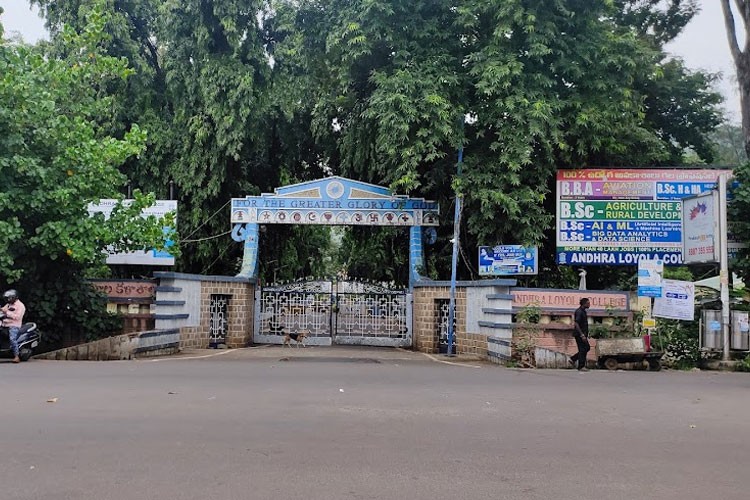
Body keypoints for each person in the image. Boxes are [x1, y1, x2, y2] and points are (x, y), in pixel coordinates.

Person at [1, 289, 26, 363]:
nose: (8, 299)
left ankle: (16, 356)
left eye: (9, 298)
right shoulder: (9, 304)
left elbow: (17, 317)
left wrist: (7, 313)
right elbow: (3, 310)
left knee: (12, 339)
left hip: (14, 325)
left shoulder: (20, 306)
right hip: (4, 324)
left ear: (14, 297)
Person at [570, 297, 590, 371]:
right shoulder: (579, 312)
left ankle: (573, 359)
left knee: (586, 348)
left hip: (583, 334)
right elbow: (576, 324)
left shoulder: (583, 311)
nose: (589, 304)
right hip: (579, 334)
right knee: (583, 349)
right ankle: (581, 366)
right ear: (584, 304)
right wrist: (581, 335)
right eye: (588, 303)